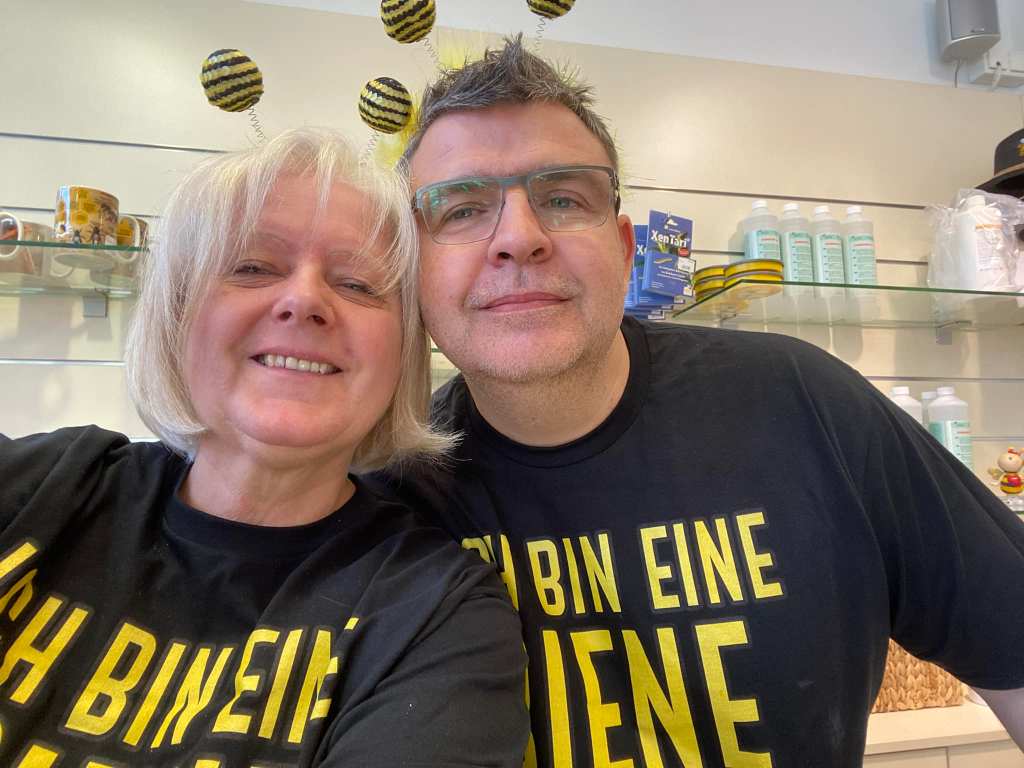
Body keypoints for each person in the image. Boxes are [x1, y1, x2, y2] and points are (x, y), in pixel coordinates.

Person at [379, 36, 1024, 767]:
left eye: (563, 199)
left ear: (625, 249)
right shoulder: (394, 494)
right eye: (463, 209)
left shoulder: (805, 407)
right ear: (412, 270)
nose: (519, 238)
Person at [0, 128, 528, 767]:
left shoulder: (435, 615)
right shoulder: (43, 485)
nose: (304, 300)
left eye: (358, 284)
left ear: (404, 351)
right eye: (252, 267)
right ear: (177, 313)